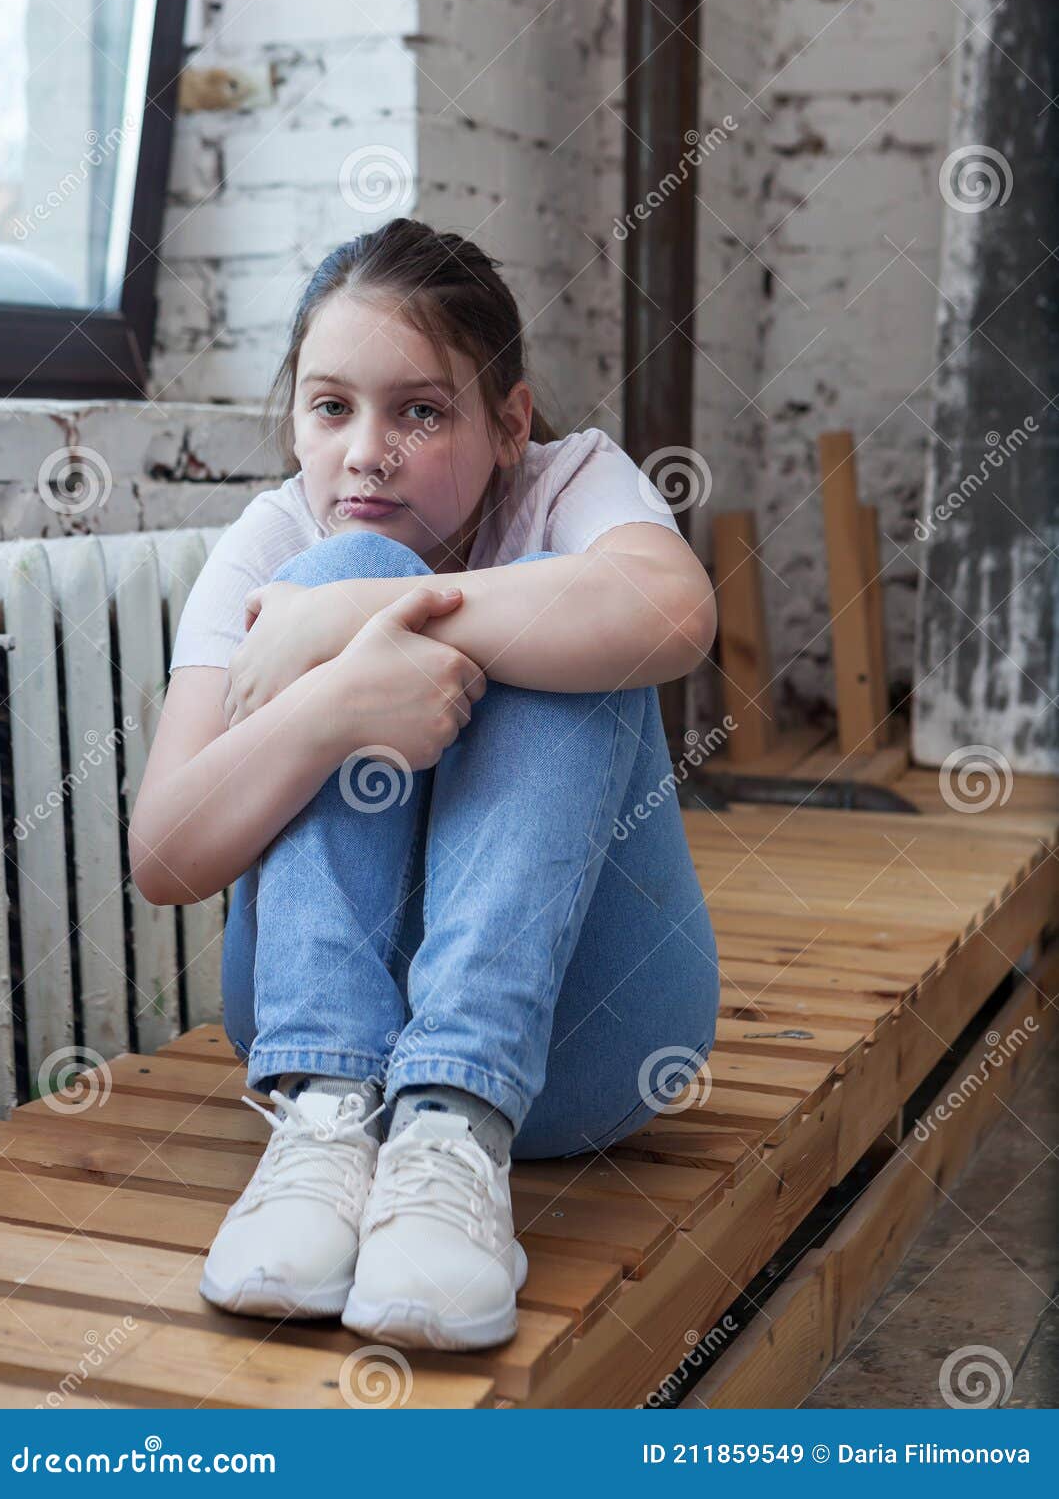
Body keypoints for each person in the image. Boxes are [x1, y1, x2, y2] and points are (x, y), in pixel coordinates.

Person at [128, 217, 720, 1353]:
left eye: (420, 410)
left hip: (580, 1044)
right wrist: (334, 701)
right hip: (314, 1037)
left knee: (566, 596)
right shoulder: (277, 544)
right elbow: (165, 855)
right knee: (351, 560)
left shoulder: (568, 483)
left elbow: (673, 615)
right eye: (330, 406)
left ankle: (454, 1123)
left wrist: (348, 622)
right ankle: (322, 1136)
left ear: (509, 422)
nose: (365, 451)